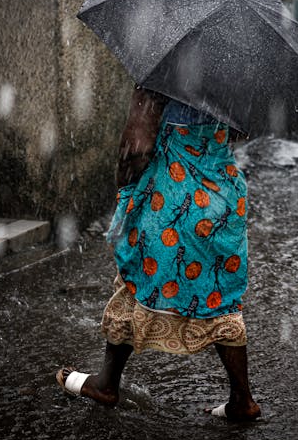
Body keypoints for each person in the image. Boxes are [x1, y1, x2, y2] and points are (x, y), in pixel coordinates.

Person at [57, 85, 261, 421]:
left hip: (170, 199)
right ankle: (242, 399)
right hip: (223, 200)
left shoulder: (162, 76)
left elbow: (137, 147)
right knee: (220, 297)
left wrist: (125, 189)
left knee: (133, 281)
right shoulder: (234, 79)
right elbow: (239, 132)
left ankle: (107, 383)